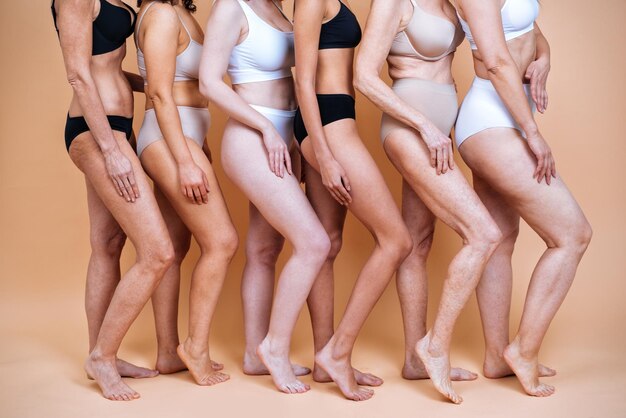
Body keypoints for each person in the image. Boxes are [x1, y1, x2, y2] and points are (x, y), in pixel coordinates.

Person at [354, 0, 504, 403]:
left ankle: (413, 359)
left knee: (419, 243)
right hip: (409, 128)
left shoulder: (455, 3)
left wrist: (543, 57)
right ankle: (434, 346)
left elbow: (507, 41)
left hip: (440, 128)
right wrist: (423, 126)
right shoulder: (394, 2)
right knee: (483, 233)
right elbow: (364, 77)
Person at [453, 0, 592, 397]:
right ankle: (524, 351)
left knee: (500, 240)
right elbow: (496, 60)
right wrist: (532, 132)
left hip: (510, 113)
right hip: (491, 119)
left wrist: (544, 57)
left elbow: (529, 30)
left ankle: (497, 356)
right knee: (572, 235)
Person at [199, 0, 332, 394]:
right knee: (313, 243)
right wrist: (266, 129)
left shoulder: (279, 8)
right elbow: (209, 82)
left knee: (264, 250)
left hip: (283, 133)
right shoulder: (231, 7)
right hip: (252, 135)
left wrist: (297, 139)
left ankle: (254, 356)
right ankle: (274, 347)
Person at [51, 0, 175, 401]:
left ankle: (101, 352)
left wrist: (165, 81)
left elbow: (106, 66)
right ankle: (102, 357)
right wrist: (111, 150)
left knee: (107, 245)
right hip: (94, 131)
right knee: (157, 252)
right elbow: (78, 74)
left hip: (116, 128)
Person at [293, 0, 414, 401]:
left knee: (328, 241)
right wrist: (325, 155)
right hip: (328, 124)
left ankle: (324, 356)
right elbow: (303, 80)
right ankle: (339, 352)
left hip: (334, 119)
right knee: (396, 240)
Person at [134, 0, 238, 386]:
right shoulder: (160, 14)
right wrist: (185, 160)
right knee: (222, 242)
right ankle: (195, 348)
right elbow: (160, 93)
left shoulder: (181, 12)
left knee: (175, 248)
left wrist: (198, 148)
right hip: (167, 138)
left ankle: (167, 351)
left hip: (184, 136)